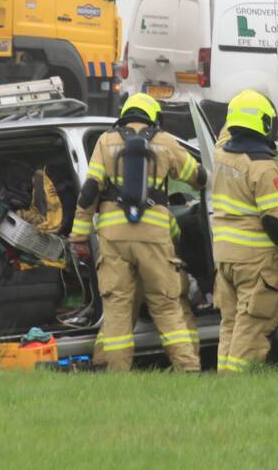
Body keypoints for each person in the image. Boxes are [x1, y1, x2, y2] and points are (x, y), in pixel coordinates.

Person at [68, 93, 206, 372]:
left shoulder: (106, 141)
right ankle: (187, 367)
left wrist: (79, 234)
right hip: (153, 237)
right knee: (166, 305)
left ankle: (116, 373)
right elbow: (197, 177)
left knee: (117, 307)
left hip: (114, 237)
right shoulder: (165, 141)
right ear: (154, 117)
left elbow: (90, 190)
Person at [211, 90, 278, 374]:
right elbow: (276, 224)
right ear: (265, 124)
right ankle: (238, 386)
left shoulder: (221, 156)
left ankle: (222, 383)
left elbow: (226, 134)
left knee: (230, 324)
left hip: (225, 258)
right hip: (254, 262)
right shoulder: (264, 169)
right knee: (251, 328)